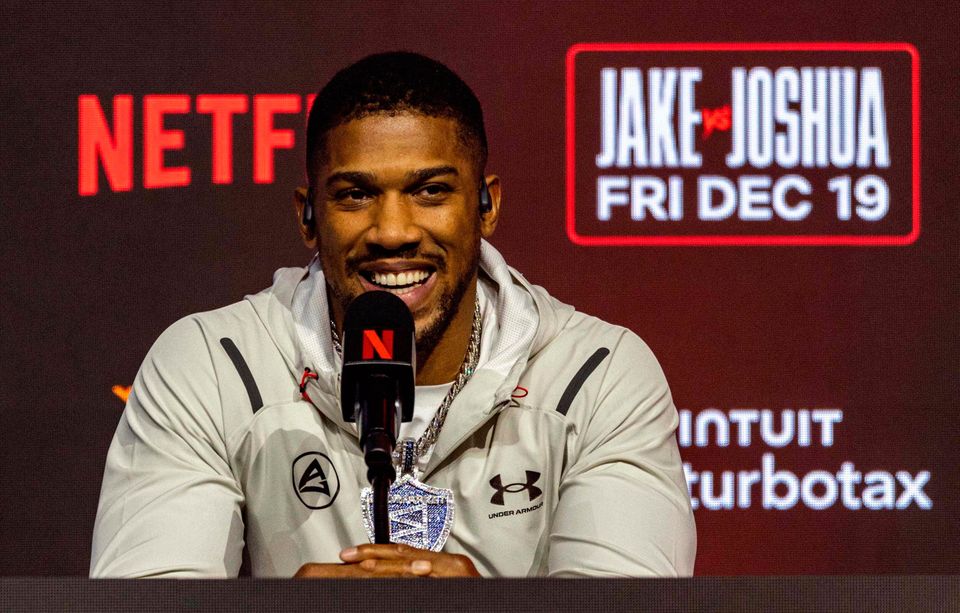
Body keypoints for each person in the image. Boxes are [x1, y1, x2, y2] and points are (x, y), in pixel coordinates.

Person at [90, 52, 696, 578]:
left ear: (486, 207)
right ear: (308, 217)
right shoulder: (214, 364)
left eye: (431, 190)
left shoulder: (596, 373)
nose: (393, 231)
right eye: (355, 195)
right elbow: (148, 593)